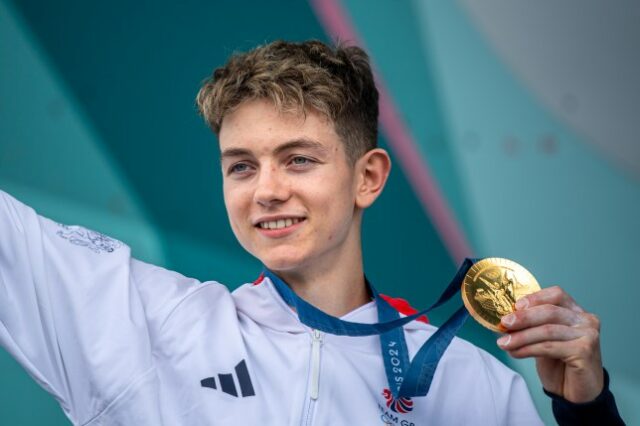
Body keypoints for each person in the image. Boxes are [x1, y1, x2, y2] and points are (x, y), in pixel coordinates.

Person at [0, 39, 623, 425]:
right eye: (241, 165)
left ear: (368, 177)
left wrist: (588, 414)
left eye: (299, 159)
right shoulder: (145, 326)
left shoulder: (472, 385)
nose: (266, 189)